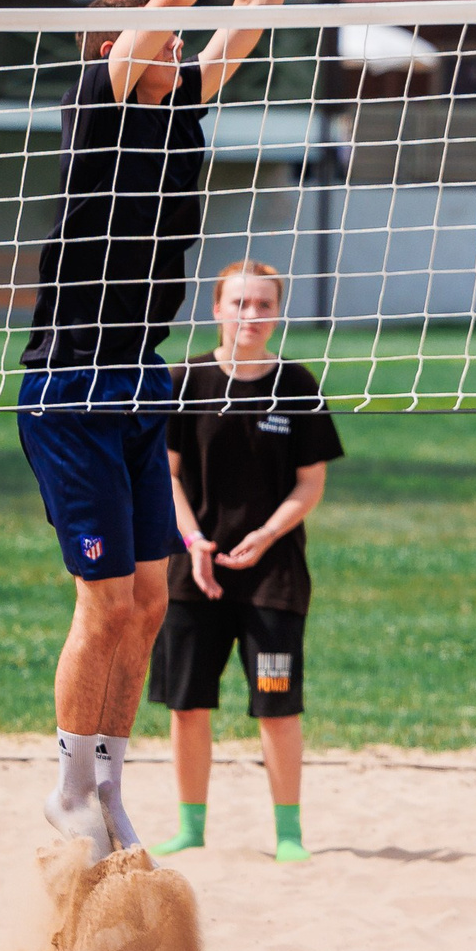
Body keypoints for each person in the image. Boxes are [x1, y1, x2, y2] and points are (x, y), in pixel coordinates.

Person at [20, 0, 365, 865]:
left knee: (146, 603)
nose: (178, 39)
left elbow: (253, 2)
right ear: (118, 47)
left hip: (141, 377)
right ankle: (70, 788)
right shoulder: (103, 97)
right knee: (102, 602)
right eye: (161, 36)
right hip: (70, 380)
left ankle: (108, 786)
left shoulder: (181, 104)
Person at [145, 260, 344, 865]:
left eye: (263, 305)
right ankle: (190, 827)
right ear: (217, 309)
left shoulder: (297, 383)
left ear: (277, 312)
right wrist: (193, 540)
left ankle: (288, 833)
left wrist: (266, 534)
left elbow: (310, 483)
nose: (251, 315)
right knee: (187, 705)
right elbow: (165, 475)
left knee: (277, 705)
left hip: (272, 578)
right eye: (239, 303)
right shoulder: (186, 379)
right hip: (194, 572)